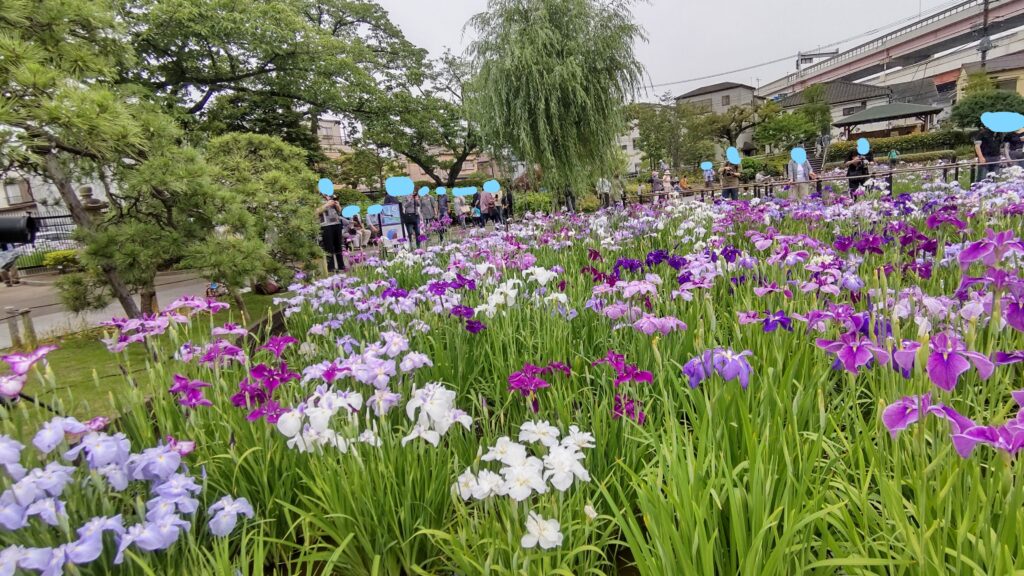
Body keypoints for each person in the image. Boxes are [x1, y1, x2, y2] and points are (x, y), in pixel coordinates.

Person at [316, 192, 346, 272]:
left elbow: (340, 212)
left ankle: (341, 265)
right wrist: (327, 205)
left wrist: (337, 205)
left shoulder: (332, 197)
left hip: (336, 223)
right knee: (328, 247)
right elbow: (316, 212)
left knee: (338, 245)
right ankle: (331, 267)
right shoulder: (316, 199)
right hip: (325, 225)